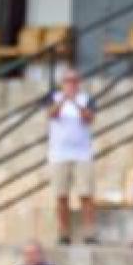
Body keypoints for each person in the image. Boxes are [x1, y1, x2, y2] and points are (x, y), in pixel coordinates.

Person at [45, 68, 97, 245]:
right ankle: (63, 232)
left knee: (86, 194)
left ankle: (89, 232)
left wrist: (74, 102)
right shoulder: (54, 97)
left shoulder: (86, 99)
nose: (71, 84)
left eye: (74, 81)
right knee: (61, 195)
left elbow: (89, 118)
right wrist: (63, 100)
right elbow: (51, 114)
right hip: (59, 154)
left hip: (82, 153)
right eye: (68, 81)